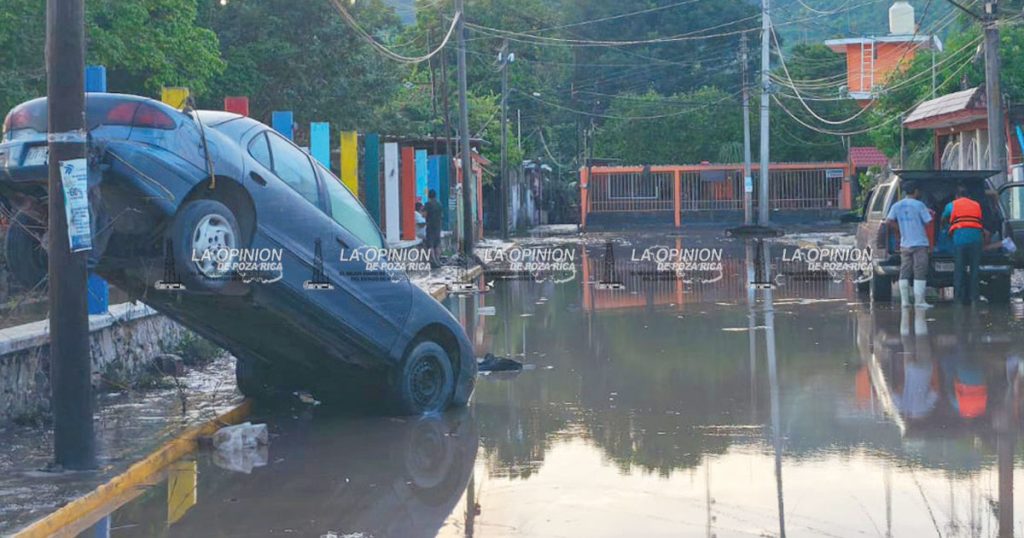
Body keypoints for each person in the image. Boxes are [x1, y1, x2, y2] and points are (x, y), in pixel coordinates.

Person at [884, 180, 933, 308]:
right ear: (916, 191)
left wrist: (899, 228)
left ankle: (905, 302)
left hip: (905, 244)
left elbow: (888, 221)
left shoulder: (897, 206)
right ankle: (919, 301)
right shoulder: (919, 205)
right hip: (920, 243)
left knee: (904, 271)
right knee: (920, 271)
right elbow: (928, 222)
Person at [941, 184, 986, 305]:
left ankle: (958, 298)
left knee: (959, 269)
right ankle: (974, 298)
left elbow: (943, 219)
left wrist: (947, 228)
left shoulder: (952, 205)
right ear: (968, 195)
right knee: (974, 270)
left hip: (960, 240)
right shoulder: (976, 204)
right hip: (976, 239)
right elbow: (979, 219)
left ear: (956, 196)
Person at [423, 189, 443, 268]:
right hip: (438, 226)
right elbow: (441, 215)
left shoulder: (428, 204)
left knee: (430, 244)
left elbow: (424, 215)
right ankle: (438, 260)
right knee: (437, 244)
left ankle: (433, 260)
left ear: (429, 196)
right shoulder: (439, 204)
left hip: (430, 226)